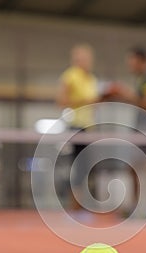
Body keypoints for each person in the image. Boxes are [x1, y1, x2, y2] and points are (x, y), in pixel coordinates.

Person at [112, 47, 146, 217]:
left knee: (144, 170)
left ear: (141, 61)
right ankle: (138, 207)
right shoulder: (142, 79)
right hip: (138, 130)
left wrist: (128, 95)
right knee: (134, 169)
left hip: (145, 132)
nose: (130, 66)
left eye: (132, 62)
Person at [56, 44, 100, 211]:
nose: (85, 62)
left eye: (87, 58)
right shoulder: (70, 76)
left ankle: (80, 203)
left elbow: (93, 104)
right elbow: (61, 101)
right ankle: (73, 204)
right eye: (81, 58)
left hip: (89, 128)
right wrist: (84, 102)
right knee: (77, 166)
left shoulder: (92, 79)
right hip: (75, 127)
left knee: (86, 167)